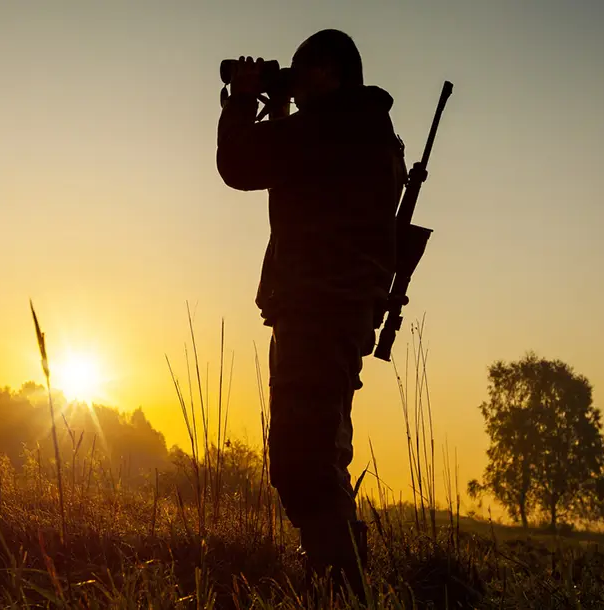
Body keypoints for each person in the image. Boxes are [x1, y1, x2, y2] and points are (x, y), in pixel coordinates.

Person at [216, 29, 407, 596]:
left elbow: (241, 164)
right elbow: (295, 170)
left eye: (301, 72)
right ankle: (337, 582)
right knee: (319, 452)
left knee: (302, 459)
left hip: (319, 308)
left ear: (329, 72)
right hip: (337, 310)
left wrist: (244, 100)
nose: (294, 84)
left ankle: (340, 585)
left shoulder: (332, 125)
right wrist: (279, 107)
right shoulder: (363, 129)